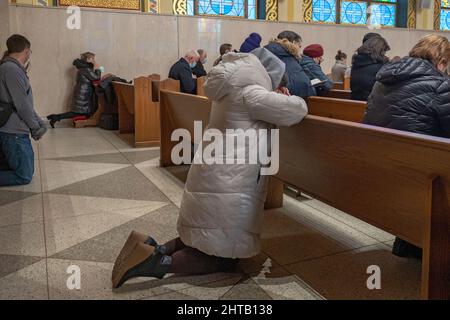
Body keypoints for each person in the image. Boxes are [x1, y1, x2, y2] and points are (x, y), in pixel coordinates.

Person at [111, 50, 308, 288]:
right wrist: (285, 95)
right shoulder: (252, 91)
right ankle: (153, 263)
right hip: (231, 179)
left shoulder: (228, 87)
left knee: (203, 234)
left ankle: (150, 246)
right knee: (222, 258)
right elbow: (297, 109)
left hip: (215, 172)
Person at [363, 34, 450, 259]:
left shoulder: (382, 81)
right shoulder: (440, 85)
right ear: (441, 61)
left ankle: (407, 241)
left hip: (381, 166)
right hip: (423, 176)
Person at [0, 34, 47, 186]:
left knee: (26, 171)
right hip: (13, 132)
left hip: (14, 130)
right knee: (24, 176)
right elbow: (22, 105)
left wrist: (38, 122)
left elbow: (25, 103)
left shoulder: (10, 68)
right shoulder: (11, 70)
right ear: (26, 51)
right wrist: (35, 128)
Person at [47, 52, 102, 128]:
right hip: (84, 93)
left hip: (82, 92)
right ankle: (55, 117)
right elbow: (96, 77)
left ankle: (56, 117)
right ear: (88, 59)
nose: (94, 61)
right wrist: (98, 69)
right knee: (79, 113)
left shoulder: (83, 67)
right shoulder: (86, 69)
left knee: (80, 112)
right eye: (93, 59)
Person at [265, 30, 315, 98]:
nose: (299, 50)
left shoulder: (266, 52)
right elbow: (301, 86)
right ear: (294, 43)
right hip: (292, 100)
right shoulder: (288, 56)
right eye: (299, 46)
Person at [350, 35, 390, 101]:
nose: (385, 55)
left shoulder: (356, 63)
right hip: (373, 105)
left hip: (354, 103)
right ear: (379, 51)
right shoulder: (380, 67)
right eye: (384, 52)